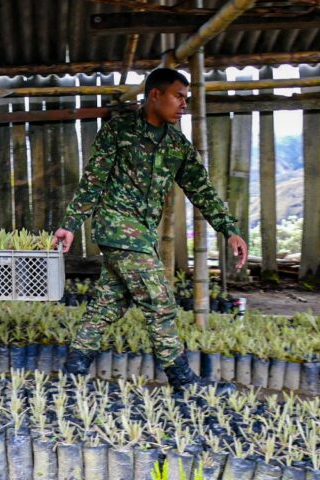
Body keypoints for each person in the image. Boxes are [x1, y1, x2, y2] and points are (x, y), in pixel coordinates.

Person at [53, 67, 248, 393]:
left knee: (107, 304)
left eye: (187, 98)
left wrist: (229, 229)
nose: (184, 104)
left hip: (141, 236)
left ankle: (72, 373)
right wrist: (70, 224)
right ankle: (183, 382)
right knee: (160, 303)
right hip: (116, 228)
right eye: (178, 96)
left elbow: (202, 190)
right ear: (155, 95)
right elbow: (93, 181)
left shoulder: (177, 146)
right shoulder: (119, 131)